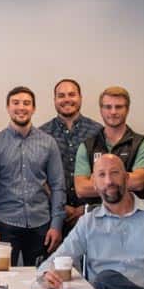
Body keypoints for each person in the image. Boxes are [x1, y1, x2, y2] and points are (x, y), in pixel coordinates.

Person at [41, 154, 144, 289]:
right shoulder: (87, 223)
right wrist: (47, 274)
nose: (109, 181)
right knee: (105, 280)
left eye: (115, 173)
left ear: (127, 178)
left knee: (104, 280)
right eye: (102, 175)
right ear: (94, 183)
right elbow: (51, 263)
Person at [0, 86, 65, 266]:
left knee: (40, 278)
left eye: (26, 103)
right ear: (8, 107)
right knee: (3, 279)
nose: (21, 107)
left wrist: (56, 225)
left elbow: (58, 186)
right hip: (5, 223)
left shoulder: (48, 143)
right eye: (16, 103)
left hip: (40, 223)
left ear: (33, 108)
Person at [73, 85, 144, 202]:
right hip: (97, 215)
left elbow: (138, 182)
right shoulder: (87, 146)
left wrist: (96, 180)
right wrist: (125, 178)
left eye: (119, 107)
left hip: (134, 215)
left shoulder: (143, 144)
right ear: (101, 109)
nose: (113, 112)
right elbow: (81, 189)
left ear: (127, 109)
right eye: (108, 107)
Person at [40, 79, 101, 227]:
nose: (67, 99)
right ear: (54, 100)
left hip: (92, 215)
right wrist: (60, 205)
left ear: (80, 98)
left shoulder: (98, 132)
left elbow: (104, 174)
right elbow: (38, 175)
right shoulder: (42, 134)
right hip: (53, 219)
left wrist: (86, 208)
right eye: (61, 95)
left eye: (71, 94)